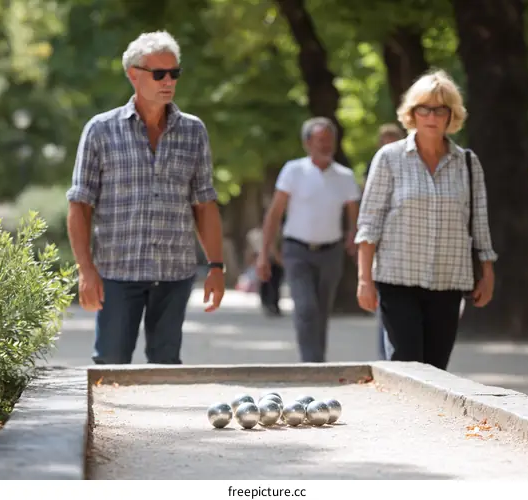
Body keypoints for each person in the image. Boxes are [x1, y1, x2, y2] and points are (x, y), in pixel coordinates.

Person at [66, 31, 225, 365]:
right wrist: (86, 270)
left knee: (167, 366)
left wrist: (216, 266)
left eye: (174, 73)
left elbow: (204, 203)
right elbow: (80, 204)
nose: (168, 81)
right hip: (117, 271)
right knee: (110, 361)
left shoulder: (194, 131)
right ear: (133, 74)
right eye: (159, 73)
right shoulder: (100, 130)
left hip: (175, 272)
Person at [355, 69, 497, 370]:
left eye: (440, 109)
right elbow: (369, 223)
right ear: (412, 113)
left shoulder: (468, 164)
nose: (431, 116)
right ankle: (401, 419)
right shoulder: (389, 158)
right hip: (397, 279)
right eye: (424, 108)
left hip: (449, 281)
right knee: (407, 364)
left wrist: (487, 271)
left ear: (451, 115)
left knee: (436, 370)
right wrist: (364, 279)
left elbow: (479, 223)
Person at [258, 117, 361, 362]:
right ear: (307, 143)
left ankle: (318, 362)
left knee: (322, 310)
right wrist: (265, 253)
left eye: (329, 141)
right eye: (320, 140)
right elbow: (275, 213)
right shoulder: (293, 171)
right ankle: (310, 363)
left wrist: (353, 239)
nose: (325, 146)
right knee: (306, 308)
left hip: (331, 252)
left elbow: (354, 217)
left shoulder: (345, 177)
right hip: (297, 251)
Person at [364, 123, 405, 360]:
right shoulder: (375, 167)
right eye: (384, 141)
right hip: (382, 245)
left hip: (404, 242)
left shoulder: (411, 166)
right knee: (386, 302)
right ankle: (385, 355)